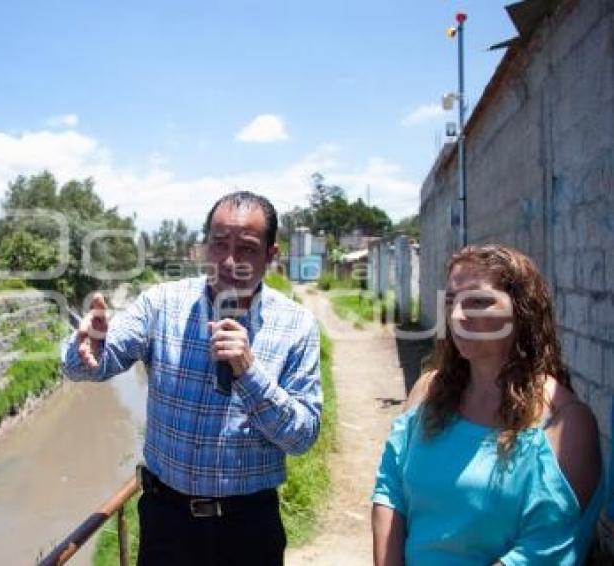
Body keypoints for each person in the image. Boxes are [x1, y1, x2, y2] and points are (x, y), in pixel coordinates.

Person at [61, 191, 322, 566]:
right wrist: (89, 348)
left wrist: (249, 374)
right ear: (203, 248)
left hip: (249, 529)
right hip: (167, 524)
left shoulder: (297, 326)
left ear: (271, 254)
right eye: (219, 245)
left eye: (247, 249)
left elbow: (303, 437)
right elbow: (88, 364)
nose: (230, 261)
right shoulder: (161, 305)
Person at [372, 244, 604, 566]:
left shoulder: (566, 425)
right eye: (451, 302)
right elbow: (390, 489)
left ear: (522, 310)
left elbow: (542, 549)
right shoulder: (428, 391)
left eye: (478, 302)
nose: (456, 316)